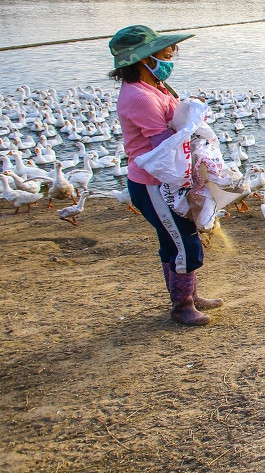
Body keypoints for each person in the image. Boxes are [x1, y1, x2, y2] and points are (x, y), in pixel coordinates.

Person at [109, 25, 221, 326]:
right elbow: (165, 147)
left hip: (160, 181)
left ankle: (188, 294)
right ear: (142, 60)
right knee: (185, 244)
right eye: (166, 56)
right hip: (153, 184)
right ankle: (182, 305)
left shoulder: (155, 87)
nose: (170, 61)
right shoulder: (140, 98)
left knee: (173, 241)